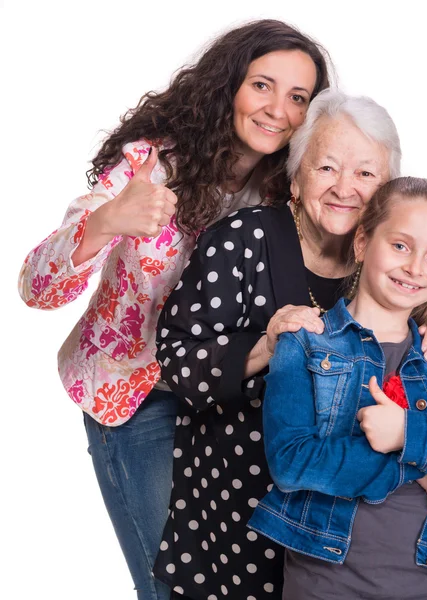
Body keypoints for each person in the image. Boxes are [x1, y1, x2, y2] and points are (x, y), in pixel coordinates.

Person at [17, 19, 331, 600]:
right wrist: (107, 220)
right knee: (172, 589)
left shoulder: (290, 190)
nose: (277, 110)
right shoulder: (148, 165)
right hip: (141, 398)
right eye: (262, 85)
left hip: (230, 398)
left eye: (297, 97)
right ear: (229, 84)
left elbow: (362, 250)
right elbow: (36, 288)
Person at [154, 92, 427, 599]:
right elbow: (177, 361)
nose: (345, 188)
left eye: (366, 174)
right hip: (238, 511)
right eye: (326, 167)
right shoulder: (241, 239)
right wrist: (266, 344)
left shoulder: (405, 267)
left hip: (353, 541)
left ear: (388, 189)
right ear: (296, 179)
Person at [248, 176, 427, 600]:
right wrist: (419, 461)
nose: (415, 268)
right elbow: (292, 463)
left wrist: (408, 434)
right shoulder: (305, 343)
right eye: (400, 245)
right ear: (363, 243)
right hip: (326, 585)